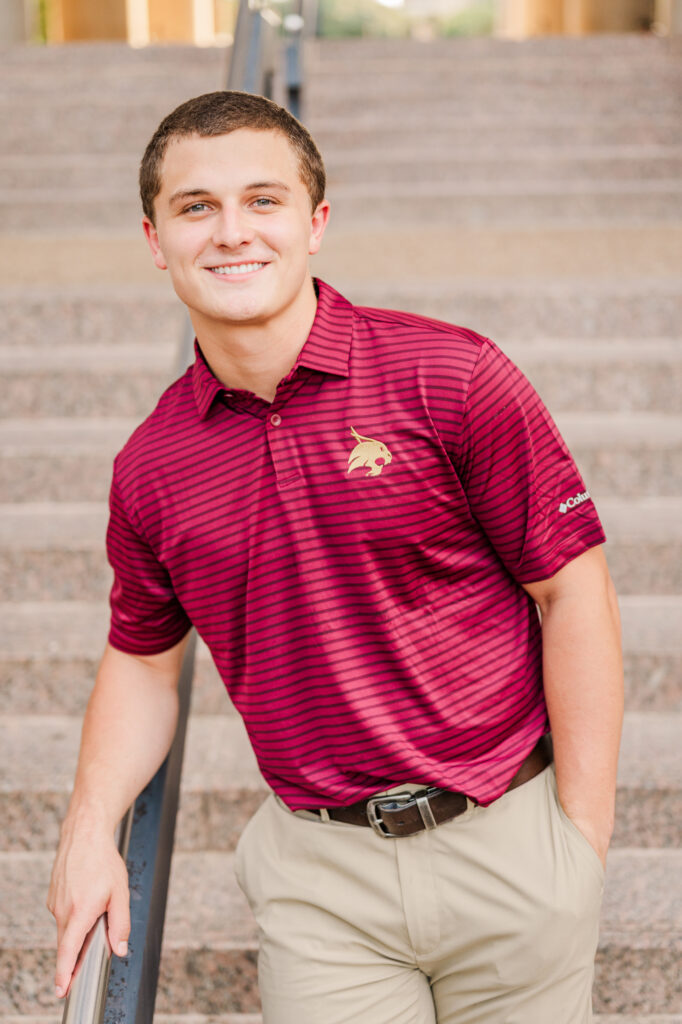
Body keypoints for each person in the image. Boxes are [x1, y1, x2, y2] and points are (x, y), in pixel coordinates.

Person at [48, 90, 623, 1023]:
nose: (232, 231)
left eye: (263, 200)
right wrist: (87, 827)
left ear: (316, 223)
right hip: (319, 879)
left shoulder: (453, 377)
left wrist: (581, 836)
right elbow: (145, 663)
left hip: (509, 840)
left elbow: (572, 589)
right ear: (155, 239)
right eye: (196, 206)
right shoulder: (151, 466)